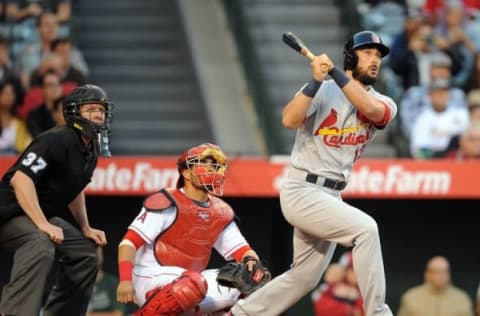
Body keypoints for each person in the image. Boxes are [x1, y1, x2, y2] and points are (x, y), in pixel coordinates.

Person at [230, 30, 397, 316]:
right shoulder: (323, 89)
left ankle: (241, 313)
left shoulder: (385, 101)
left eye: (378, 56)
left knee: (304, 277)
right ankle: (378, 313)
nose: (374, 60)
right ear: (350, 57)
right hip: (302, 188)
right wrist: (316, 80)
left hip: (331, 194)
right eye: (367, 53)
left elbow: (371, 110)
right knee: (366, 230)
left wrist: (333, 71)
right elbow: (289, 119)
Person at [0, 84, 115, 315]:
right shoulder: (56, 139)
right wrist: (43, 224)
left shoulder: (90, 147)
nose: (99, 114)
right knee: (40, 243)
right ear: (74, 112)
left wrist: (85, 227)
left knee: (86, 252)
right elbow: (21, 180)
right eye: (91, 109)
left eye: (101, 110)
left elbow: (75, 187)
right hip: (10, 213)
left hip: (37, 215)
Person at [116, 143, 266, 315]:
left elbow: (243, 250)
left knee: (247, 284)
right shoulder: (167, 201)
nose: (212, 169)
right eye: (205, 164)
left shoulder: (221, 211)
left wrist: (252, 264)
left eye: (215, 165)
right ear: (186, 173)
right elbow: (128, 243)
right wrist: (125, 280)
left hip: (192, 284)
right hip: (150, 277)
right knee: (191, 283)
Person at [397, 256, 473, 316]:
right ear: (427, 274)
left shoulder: (462, 299)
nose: (441, 276)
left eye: (444, 271)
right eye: (436, 271)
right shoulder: (411, 297)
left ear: (449, 274)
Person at [87, 247, 126, 316]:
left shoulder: (112, 282)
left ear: (102, 257)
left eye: (96, 254)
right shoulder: (76, 284)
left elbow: (118, 313)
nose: (94, 258)